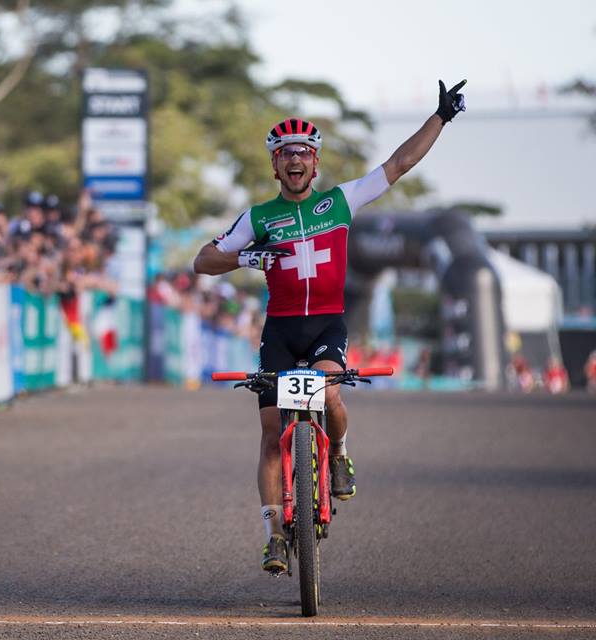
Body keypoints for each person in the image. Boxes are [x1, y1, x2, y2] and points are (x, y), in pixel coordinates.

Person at [193, 79, 467, 574]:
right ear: (274, 164)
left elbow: (400, 164)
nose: (294, 160)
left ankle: (338, 450)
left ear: (314, 163)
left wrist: (440, 119)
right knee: (270, 428)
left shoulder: (341, 200)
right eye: (284, 153)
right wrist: (245, 257)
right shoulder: (257, 217)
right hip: (279, 330)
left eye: (303, 152)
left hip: (324, 326)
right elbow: (203, 260)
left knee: (330, 395)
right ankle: (274, 533)